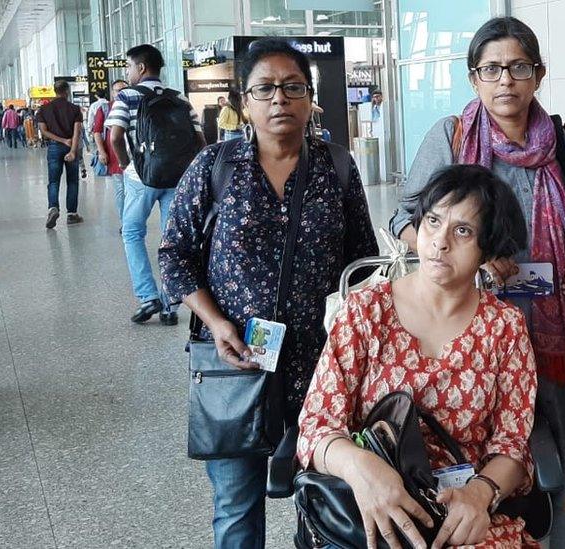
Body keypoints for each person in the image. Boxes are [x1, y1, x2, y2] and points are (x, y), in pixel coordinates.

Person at [389, 16, 565, 547]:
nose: (505, 81)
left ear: (538, 75)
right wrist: (467, 262)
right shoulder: (451, 136)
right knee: (491, 447)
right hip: (476, 333)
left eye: (518, 68)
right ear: (473, 79)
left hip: (557, 325)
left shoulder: (560, 140)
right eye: (491, 69)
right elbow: (404, 218)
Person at [159, 37, 378, 549]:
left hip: (323, 366)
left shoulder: (338, 168)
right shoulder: (214, 167)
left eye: (292, 87)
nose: (279, 99)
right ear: (243, 100)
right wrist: (216, 323)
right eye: (265, 89)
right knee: (236, 509)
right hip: (235, 363)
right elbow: (173, 257)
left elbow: (363, 263)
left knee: (326, 498)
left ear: (310, 97)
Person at [299, 164, 538, 549]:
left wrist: (482, 493)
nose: (440, 242)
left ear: (488, 249)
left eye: (463, 231)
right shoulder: (366, 312)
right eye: (432, 221)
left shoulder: (503, 327)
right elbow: (316, 426)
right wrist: (361, 468)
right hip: (367, 512)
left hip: (466, 517)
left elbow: (512, 444)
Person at [106, 44, 206, 326]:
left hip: (142, 177)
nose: (127, 72)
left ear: (140, 67)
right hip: (177, 178)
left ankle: (147, 297)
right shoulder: (180, 98)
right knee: (170, 240)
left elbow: (115, 137)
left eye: (128, 67)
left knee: (132, 232)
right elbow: (200, 142)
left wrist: (128, 166)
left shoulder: (127, 96)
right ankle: (170, 305)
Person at [36, 81, 84, 228]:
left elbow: (44, 131)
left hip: (54, 148)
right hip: (71, 146)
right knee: (72, 181)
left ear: (54, 91)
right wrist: (72, 150)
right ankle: (72, 214)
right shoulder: (75, 109)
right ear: (67, 91)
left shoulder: (43, 110)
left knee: (54, 181)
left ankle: (53, 208)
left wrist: (61, 140)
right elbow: (77, 132)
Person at [92, 80, 129, 232]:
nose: (120, 93)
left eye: (123, 90)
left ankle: (132, 220)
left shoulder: (136, 104)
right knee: (120, 190)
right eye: (117, 90)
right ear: (112, 93)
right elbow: (97, 132)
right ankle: (125, 223)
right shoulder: (106, 108)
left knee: (134, 191)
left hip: (134, 157)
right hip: (115, 157)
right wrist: (102, 151)